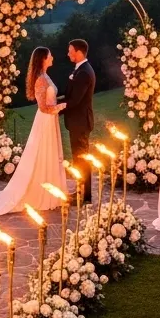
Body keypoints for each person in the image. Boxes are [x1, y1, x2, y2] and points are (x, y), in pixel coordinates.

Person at [0, 47, 67, 216]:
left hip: (50, 121)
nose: (53, 57)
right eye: (50, 55)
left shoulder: (46, 76)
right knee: (42, 154)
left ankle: (51, 191)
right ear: (43, 58)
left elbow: (50, 99)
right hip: (45, 121)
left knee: (49, 155)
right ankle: (41, 193)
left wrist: (59, 103)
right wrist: (62, 106)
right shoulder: (40, 79)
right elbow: (44, 107)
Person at [62, 39, 96, 202]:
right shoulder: (80, 70)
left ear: (79, 52)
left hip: (80, 122)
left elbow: (75, 100)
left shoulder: (84, 72)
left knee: (81, 158)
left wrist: (55, 108)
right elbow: (71, 96)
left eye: (70, 50)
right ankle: (82, 192)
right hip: (78, 121)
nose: (68, 53)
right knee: (79, 158)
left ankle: (84, 194)